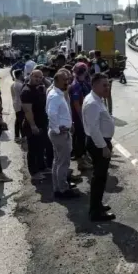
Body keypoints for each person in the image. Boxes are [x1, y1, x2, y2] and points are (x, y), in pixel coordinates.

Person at [82, 73, 115, 221]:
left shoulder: (97, 99)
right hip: (98, 143)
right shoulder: (92, 103)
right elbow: (94, 129)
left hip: (100, 142)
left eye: (108, 84)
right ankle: (95, 212)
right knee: (99, 178)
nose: (107, 87)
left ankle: (98, 204)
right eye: (104, 85)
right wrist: (104, 147)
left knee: (101, 177)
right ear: (94, 85)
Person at [47, 69, 79, 199]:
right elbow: (51, 113)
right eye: (64, 80)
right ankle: (62, 190)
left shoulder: (58, 93)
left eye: (67, 80)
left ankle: (58, 188)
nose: (67, 82)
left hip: (60, 132)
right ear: (56, 81)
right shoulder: (55, 95)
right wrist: (57, 129)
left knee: (58, 161)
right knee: (63, 163)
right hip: (60, 134)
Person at [21, 70, 50, 181]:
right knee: (33, 149)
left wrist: (43, 79)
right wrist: (33, 126)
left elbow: (51, 86)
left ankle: (42, 167)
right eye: (36, 77)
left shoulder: (40, 87)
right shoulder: (26, 91)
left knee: (41, 147)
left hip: (42, 122)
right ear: (30, 76)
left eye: (40, 77)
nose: (38, 79)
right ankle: (34, 172)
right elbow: (28, 111)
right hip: (32, 124)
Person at [69, 63, 92, 170]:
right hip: (79, 116)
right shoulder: (76, 85)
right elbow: (76, 103)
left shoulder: (84, 83)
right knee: (80, 138)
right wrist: (81, 117)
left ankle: (82, 158)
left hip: (85, 114)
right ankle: (80, 162)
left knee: (82, 138)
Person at [11, 69, 25, 143]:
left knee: (18, 121)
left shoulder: (14, 84)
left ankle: (17, 136)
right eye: (22, 74)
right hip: (20, 105)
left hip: (16, 104)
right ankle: (22, 136)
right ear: (20, 75)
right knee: (21, 121)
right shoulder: (19, 84)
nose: (23, 75)